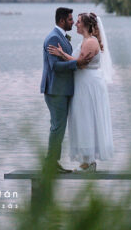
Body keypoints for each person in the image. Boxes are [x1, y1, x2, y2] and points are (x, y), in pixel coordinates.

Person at [48, 12, 114, 171]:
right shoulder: (86, 40)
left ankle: (89, 162)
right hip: (83, 84)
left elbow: (81, 64)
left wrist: (61, 54)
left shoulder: (90, 42)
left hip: (88, 85)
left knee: (86, 119)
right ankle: (86, 161)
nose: (75, 24)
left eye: (78, 22)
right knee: (82, 120)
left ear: (85, 25)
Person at [40, 7, 91, 173]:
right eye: (70, 20)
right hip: (56, 90)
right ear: (62, 20)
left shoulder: (60, 37)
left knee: (58, 127)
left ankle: (52, 163)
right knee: (57, 127)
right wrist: (76, 63)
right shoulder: (53, 38)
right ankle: (51, 164)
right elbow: (54, 66)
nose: (72, 22)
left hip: (62, 90)